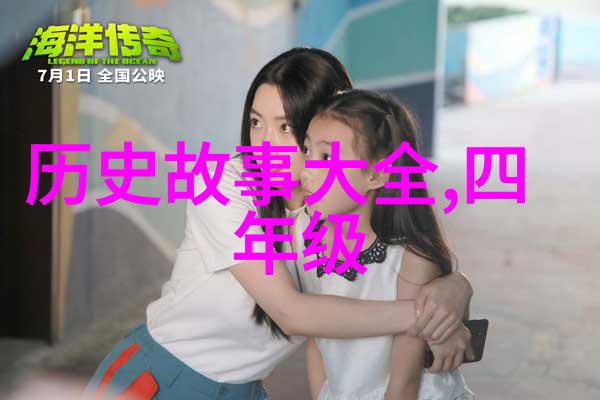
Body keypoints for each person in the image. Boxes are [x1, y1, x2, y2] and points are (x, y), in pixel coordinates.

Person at [84, 48, 473, 400]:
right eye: (256, 123)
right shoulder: (221, 186)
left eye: (285, 127)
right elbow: (291, 312)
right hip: (162, 378)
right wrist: (429, 318)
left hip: (242, 390)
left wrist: (455, 289)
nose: (264, 144)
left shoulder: (333, 210)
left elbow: (397, 262)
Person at [297, 89, 475, 400]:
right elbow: (315, 340)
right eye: (307, 150)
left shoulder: (410, 261)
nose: (306, 171)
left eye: (326, 157)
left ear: (376, 174)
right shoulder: (309, 236)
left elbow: (404, 384)